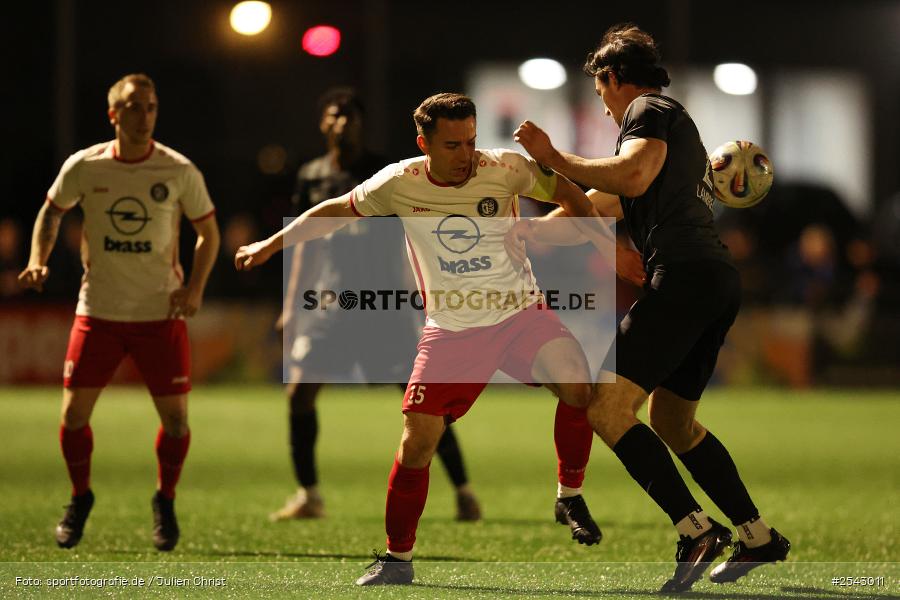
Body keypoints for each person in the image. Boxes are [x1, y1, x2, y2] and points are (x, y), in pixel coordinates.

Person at [236, 93, 608, 586]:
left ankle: (569, 496)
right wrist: (269, 245)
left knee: (578, 383)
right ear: (424, 144)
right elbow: (333, 211)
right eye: (453, 145)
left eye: (471, 141)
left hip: (520, 314)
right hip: (452, 330)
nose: (467, 154)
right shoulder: (399, 181)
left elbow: (570, 195)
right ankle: (397, 558)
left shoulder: (506, 167)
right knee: (416, 444)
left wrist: (587, 242)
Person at [511, 24, 790, 593]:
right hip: (712, 280)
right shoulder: (664, 137)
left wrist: (553, 157)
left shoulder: (647, 110)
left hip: (684, 277)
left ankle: (695, 529)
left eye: (600, 91)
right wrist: (524, 234)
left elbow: (631, 174)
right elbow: (596, 205)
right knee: (672, 422)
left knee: (606, 408)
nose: (604, 106)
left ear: (614, 78)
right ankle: (758, 536)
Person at [18, 73, 220, 552]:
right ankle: (80, 497)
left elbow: (208, 234)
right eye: (133, 106)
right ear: (113, 114)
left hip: (159, 314)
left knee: (177, 423)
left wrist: (194, 288)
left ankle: (165, 500)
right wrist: (37, 259)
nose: (144, 115)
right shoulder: (86, 166)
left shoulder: (178, 169)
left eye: (151, 106)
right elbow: (52, 210)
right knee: (73, 417)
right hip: (100, 311)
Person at [270, 88, 482, 522]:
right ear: (323, 123)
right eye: (335, 115)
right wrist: (291, 307)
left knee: (424, 401)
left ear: (362, 124)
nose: (343, 123)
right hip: (332, 303)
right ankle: (309, 495)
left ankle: (464, 491)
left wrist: (424, 292)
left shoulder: (385, 172)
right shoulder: (311, 175)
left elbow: (414, 234)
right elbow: (307, 243)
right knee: (300, 393)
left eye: (351, 116)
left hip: (384, 306)